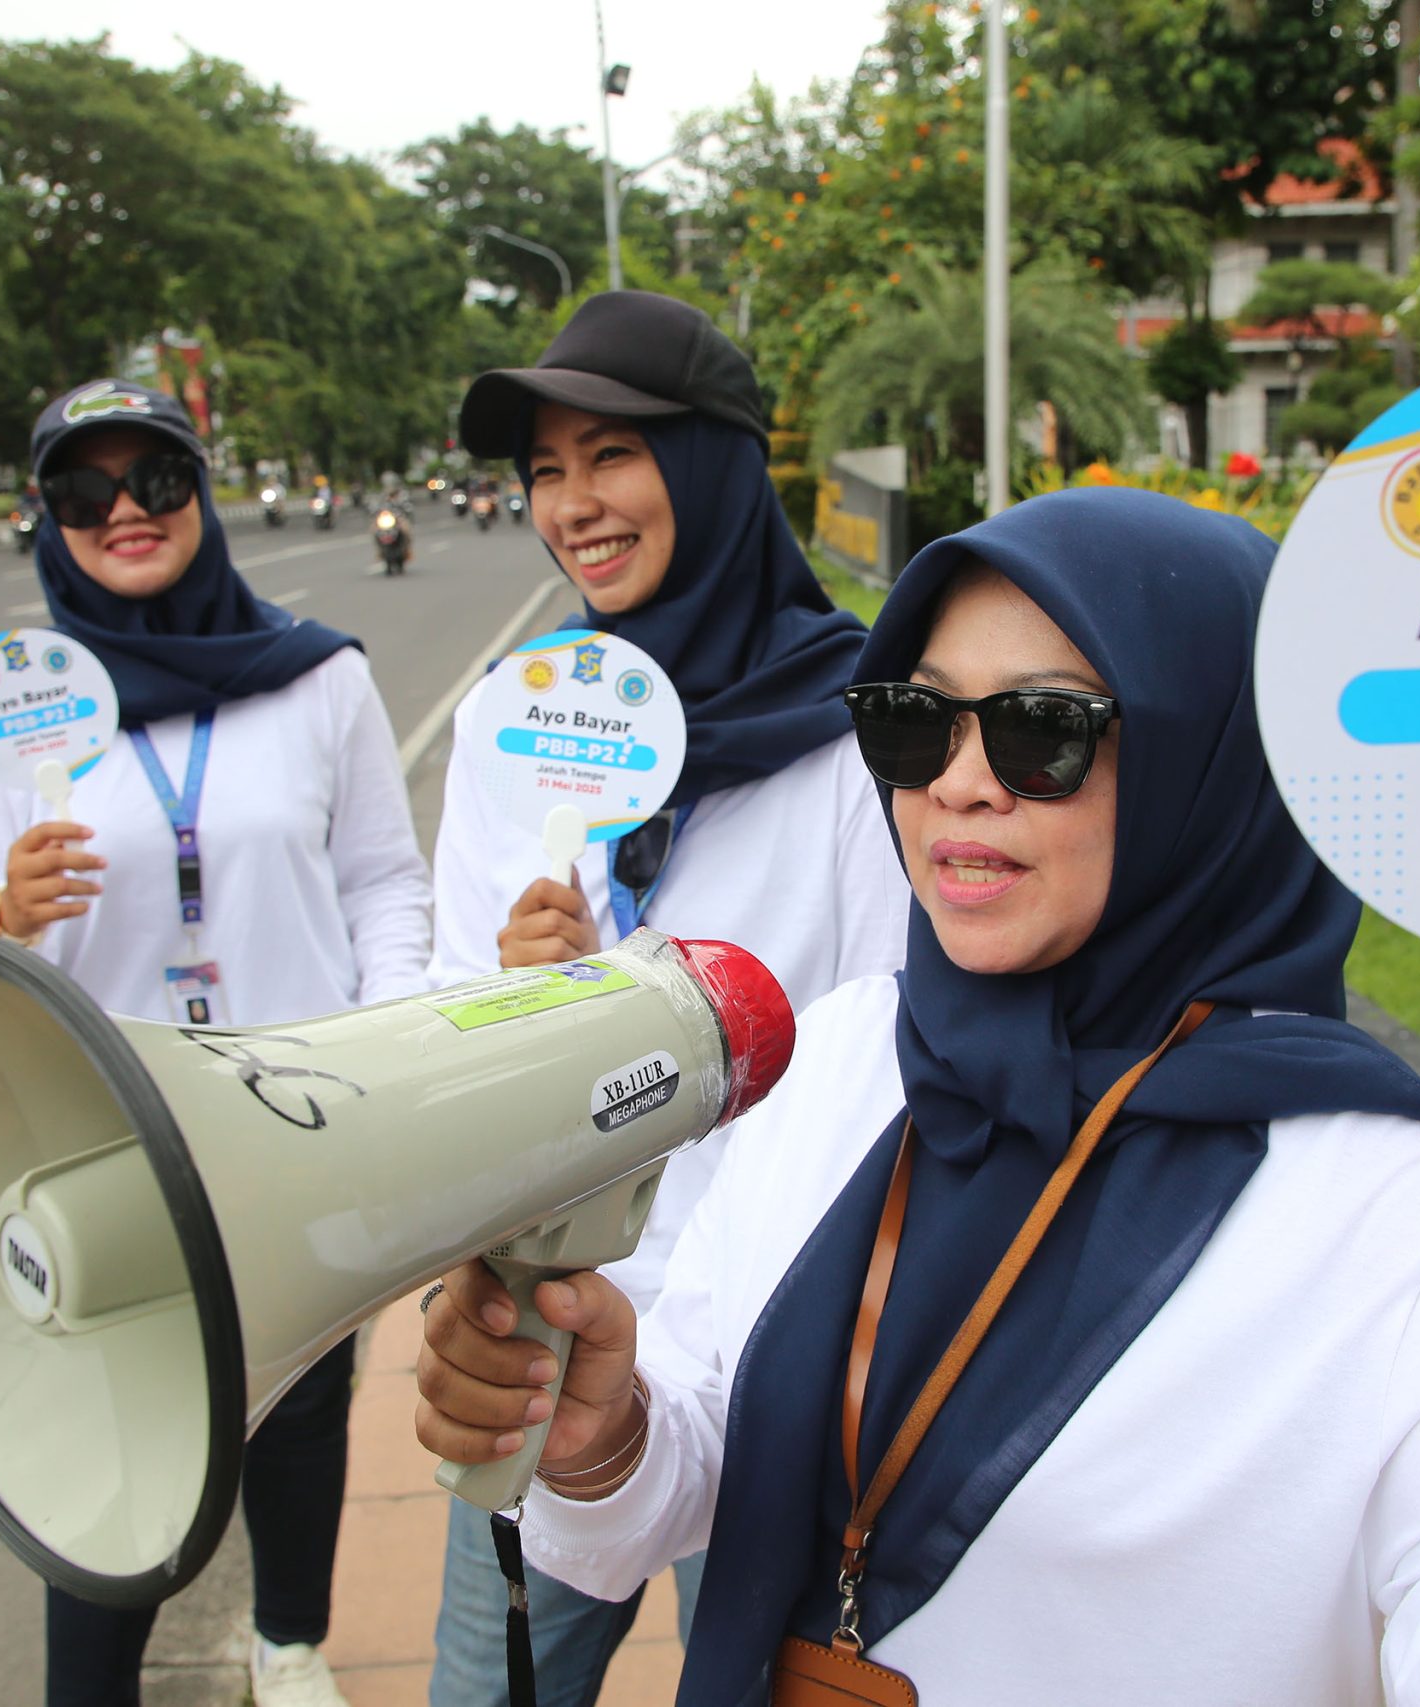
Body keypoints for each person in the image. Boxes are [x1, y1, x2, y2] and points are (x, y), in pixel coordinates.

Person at [416, 489, 1420, 1705]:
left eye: (1041, 732)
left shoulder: (1390, 1204)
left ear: (1209, 764)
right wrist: (608, 1431)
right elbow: (708, 1434)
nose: (956, 782)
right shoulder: (849, 1058)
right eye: (911, 719)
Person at [423, 291, 912, 1706]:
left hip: (770, 1349)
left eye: (610, 455)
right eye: (544, 472)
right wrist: (521, 1005)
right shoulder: (513, 723)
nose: (574, 504)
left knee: (746, 1678)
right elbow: (443, 1018)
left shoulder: (862, 738)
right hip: (542, 1327)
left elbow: (887, 1054)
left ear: (710, 463)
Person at [0, 379, 433, 1707]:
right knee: (117, 1432)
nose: (127, 512)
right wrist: (3, 915)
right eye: (86, 494)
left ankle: (288, 1642)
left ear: (204, 492)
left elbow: (384, 879)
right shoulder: (9, 711)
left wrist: (388, 1046)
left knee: (306, 1403)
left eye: (157, 480)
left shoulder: (320, 678)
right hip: (107, 1125)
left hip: (300, 1111)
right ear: (49, 518)